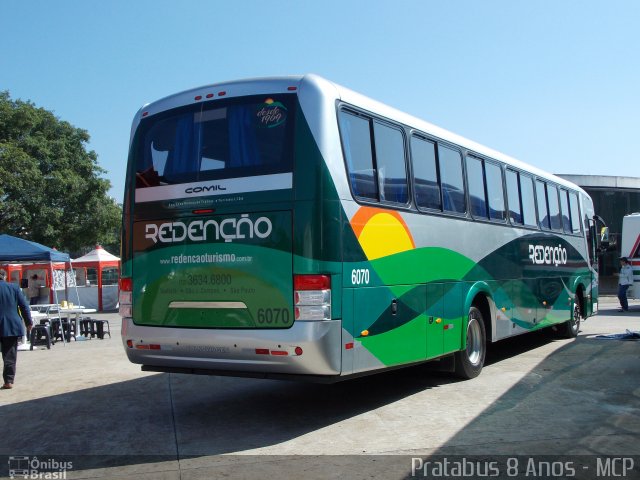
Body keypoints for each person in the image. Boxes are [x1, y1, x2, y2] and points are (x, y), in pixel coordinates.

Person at [0, 269, 33, 389]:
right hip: (11, 325)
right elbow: (24, 306)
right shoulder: (14, 288)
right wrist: (28, 322)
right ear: (5, 277)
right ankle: (8, 381)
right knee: (9, 354)